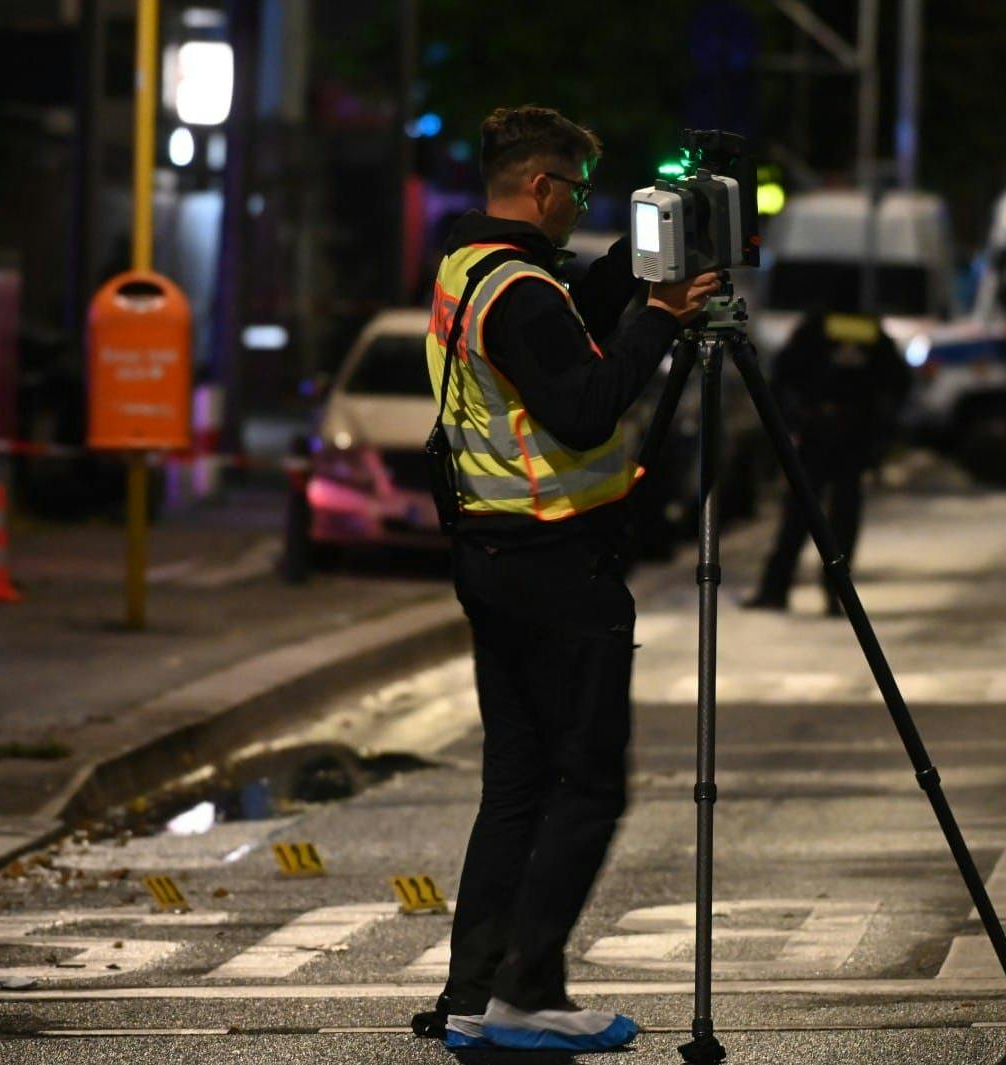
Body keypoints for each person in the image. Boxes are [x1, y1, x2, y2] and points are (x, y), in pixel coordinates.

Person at [415, 105, 718, 1051]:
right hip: (555, 564)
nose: (578, 210)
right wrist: (660, 323)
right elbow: (585, 407)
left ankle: (472, 994)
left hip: (492, 555)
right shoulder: (523, 291)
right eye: (577, 192)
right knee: (587, 785)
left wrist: (640, 255)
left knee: (515, 783)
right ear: (540, 186)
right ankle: (527, 991)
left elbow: (567, 308)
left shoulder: (473, 270)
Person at [743, 307, 912, 615]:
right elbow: (898, 383)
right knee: (841, 519)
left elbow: (781, 377)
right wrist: (880, 429)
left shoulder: (814, 328)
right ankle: (836, 595)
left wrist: (793, 419)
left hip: (820, 433)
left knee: (799, 516)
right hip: (851, 435)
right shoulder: (868, 330)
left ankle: (776, 590)